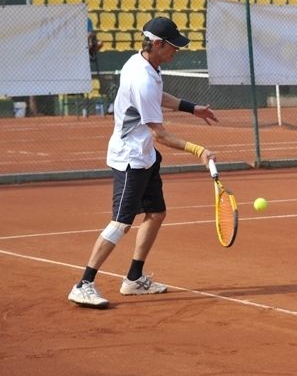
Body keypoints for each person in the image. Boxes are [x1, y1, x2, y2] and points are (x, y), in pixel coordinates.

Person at [68, 16, 218, 309]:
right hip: (130, 159)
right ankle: (83, 283)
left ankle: (134, 278)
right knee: (121, 222)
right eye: (173, 46)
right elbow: (159, 133)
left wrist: (192, 108)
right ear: (158, 44)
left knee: (156, 213)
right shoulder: (142, 78)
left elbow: (157, 97)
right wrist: (198, 150)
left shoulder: (142, 63)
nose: (177, 51)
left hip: (145, 156)